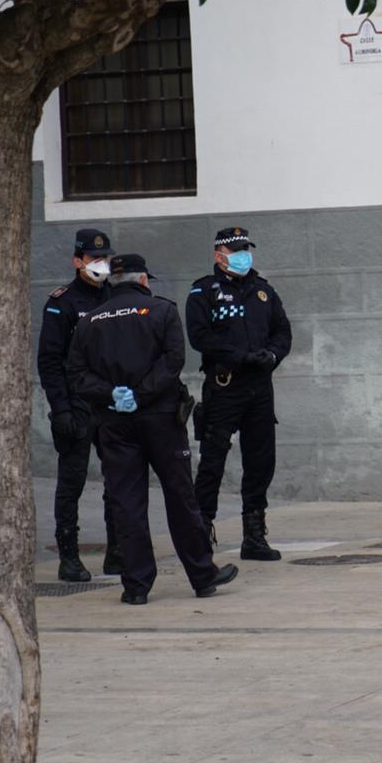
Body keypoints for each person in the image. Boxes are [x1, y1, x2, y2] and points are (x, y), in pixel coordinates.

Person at [66, 254, 238, 605]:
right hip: (161, 417)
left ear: (111, 281)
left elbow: (76, 374)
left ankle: (136, 586)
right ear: (143, 279)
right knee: (180, 496)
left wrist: (112, 394)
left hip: (114, 421)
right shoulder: (162, 311)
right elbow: (173, 360)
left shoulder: (90, 321)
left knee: (126, 502)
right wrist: (143, 394)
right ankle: (202, 576)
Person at [186, 226, 292, 561]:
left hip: (259, 387)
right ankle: (201, 533)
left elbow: (282, 331)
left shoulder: (263, 291)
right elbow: (199, 336)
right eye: (236, 250)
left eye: (246, 249)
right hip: (225, 385)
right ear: (219, 256)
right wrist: (239, 356)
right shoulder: (204, 291)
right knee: (213, 460)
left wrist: (272, 355)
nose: (243, 255)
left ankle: (254, 535)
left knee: (260, 460)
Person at [37, 227, 120, 583]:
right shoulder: (63, 302)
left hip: (111, 403)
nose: (101, 264)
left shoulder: (115, 297)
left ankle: (117, 551)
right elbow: (50, 361)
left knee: (118, 478)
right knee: (72, 482)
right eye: (93, 258)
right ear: (77, 261)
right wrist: (61, 409)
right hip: (77, 403)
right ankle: (69, 556)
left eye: (105, 258)